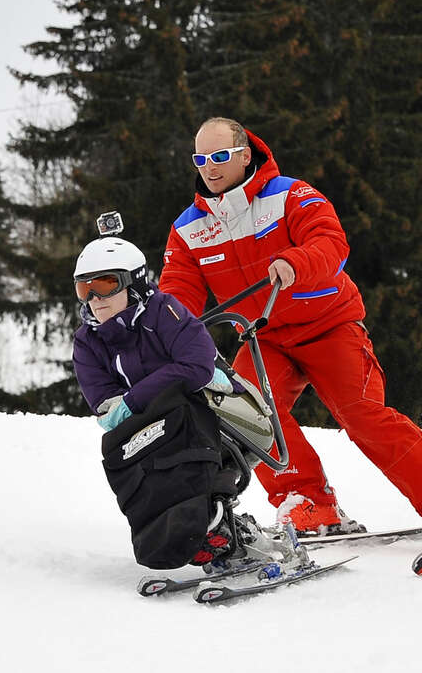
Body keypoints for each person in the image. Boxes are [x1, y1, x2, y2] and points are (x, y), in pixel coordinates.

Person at [159, 115, 422, 534]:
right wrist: (163, 330)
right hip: (265, 338)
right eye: (200, 158)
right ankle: (308, 502)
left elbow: (330, 242)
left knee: (363, 417)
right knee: (246, 412)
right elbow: (178, 295)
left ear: (245, 156)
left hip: (328, 326)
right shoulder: (190, 228)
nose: (209, 167)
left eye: (221, 156)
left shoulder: (289, 195)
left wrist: (296, 262)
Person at [71, 233, 245, 568]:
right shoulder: (87, 340)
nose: (94, 298)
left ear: (133, 284)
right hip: (152, 428)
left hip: (211, 411)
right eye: (84, 288)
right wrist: (127, 408)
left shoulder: (163, 312)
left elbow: (195, 365)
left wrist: (136, 399)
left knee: (183, 421)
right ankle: (173, 538)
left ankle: (213, 523)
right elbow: (102, 399)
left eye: (106, 285)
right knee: (125, 453)